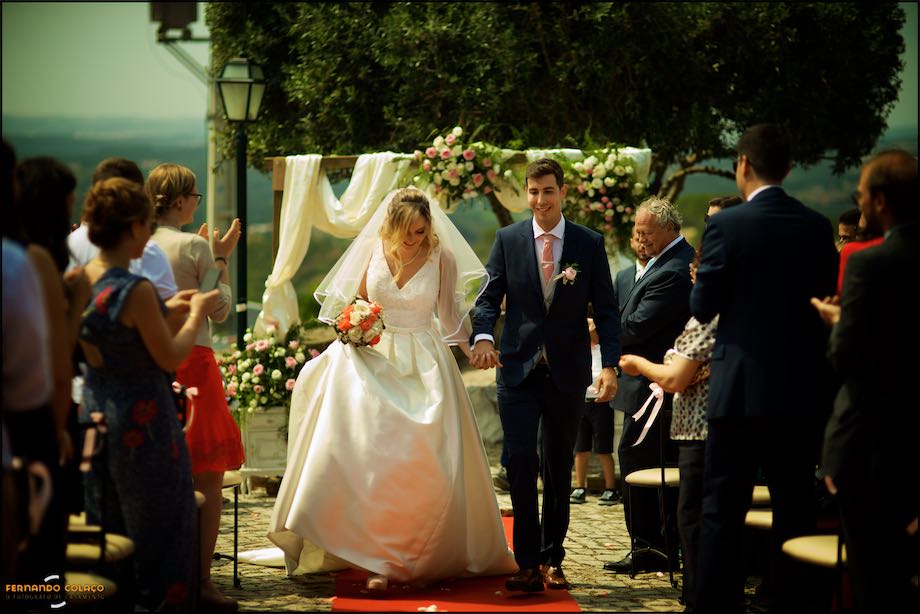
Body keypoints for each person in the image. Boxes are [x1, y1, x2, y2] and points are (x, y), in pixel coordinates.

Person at [269, 187, 517, 591]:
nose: (414, 239)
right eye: (408, 232)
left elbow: (449, 315)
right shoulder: (373, 249)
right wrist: (355, 325)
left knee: (420, 458)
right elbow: (361, 302)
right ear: (391, 224)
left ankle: (412, 550)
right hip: (374, 357)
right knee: (369, 453)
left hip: (424, 361)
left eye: (421, 232)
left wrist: (473, 348)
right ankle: (368, 550)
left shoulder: (443, 257)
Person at [690, 124, 838, 612]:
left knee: (722, 508)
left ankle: (717, 606)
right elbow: (823, 300)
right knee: (794, 505)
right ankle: (793, 601)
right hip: (799, 388)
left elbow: (703, 303)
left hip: (737, 389)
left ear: (744, 165)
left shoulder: (726, 227)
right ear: (789, 168)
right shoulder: (817, 226)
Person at [471, 158, 621, 592]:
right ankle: (526, 563)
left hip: (568, 373)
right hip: (516, 369)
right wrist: (483, 336)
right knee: (520, 460)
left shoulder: (588, 244)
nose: (540, 200)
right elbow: (487, 299)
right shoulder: (508, 240)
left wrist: (609, 365)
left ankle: (553, 559)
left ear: (563, 192)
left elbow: (607, 311)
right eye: (533, 192)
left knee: (557, 465)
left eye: (548, 191)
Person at [78, 177, 219, 611]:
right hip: (144, 421)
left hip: (97, 413)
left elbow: (109, 332)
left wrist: (164, 309)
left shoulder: (80, 278)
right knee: (161, 529)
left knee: (112, 523)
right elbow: (171, 356)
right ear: (134, 227)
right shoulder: (135, 289)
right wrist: (194, 314)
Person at [616, 194, 740, 610]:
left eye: (696, 274)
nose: (692, 280)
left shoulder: (702, 309)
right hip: (700, 413)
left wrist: (640, 364)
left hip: (692, 415)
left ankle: (695, 588)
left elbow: (676, 371)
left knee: (693, 510)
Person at [812, 149, 919, 612]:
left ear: (877, 200)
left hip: (874, 443)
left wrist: (837, 319)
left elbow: (846, 356)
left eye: (860, 195)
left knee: (873, 575)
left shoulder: (869, 263)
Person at [147, 162, 244, 609]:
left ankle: (160, 576)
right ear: (184, 200)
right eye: (195, 197)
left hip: (152, 363)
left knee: (160, 475)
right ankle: (201, 581)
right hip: (196, 364)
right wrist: (220, 256)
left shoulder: (139, 244)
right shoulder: (193, 246)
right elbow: (218, 307)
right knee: (208, 471)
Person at [604, 197, 694, 576]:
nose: (639, 237)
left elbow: (638, 326)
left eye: (647, 231)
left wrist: (599, 333)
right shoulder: (659, 263)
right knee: (639, 462)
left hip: (655, 387)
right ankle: (651, 545)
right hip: (641, 386)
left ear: (670, 229)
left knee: (642, 464)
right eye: (636, 231)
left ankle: (653, 547)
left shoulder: (674, 269)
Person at [12, 156, 92, 584]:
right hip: (36, 420)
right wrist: (78, 301)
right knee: (41, 568)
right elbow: (58, 356)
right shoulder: (38, 259)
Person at [69, 157, 178, 300]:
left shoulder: (68, 248)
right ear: (135, 225)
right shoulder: (142, 276)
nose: (151, 232)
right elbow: (169, 320)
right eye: (147, 223)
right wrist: (196, 311)